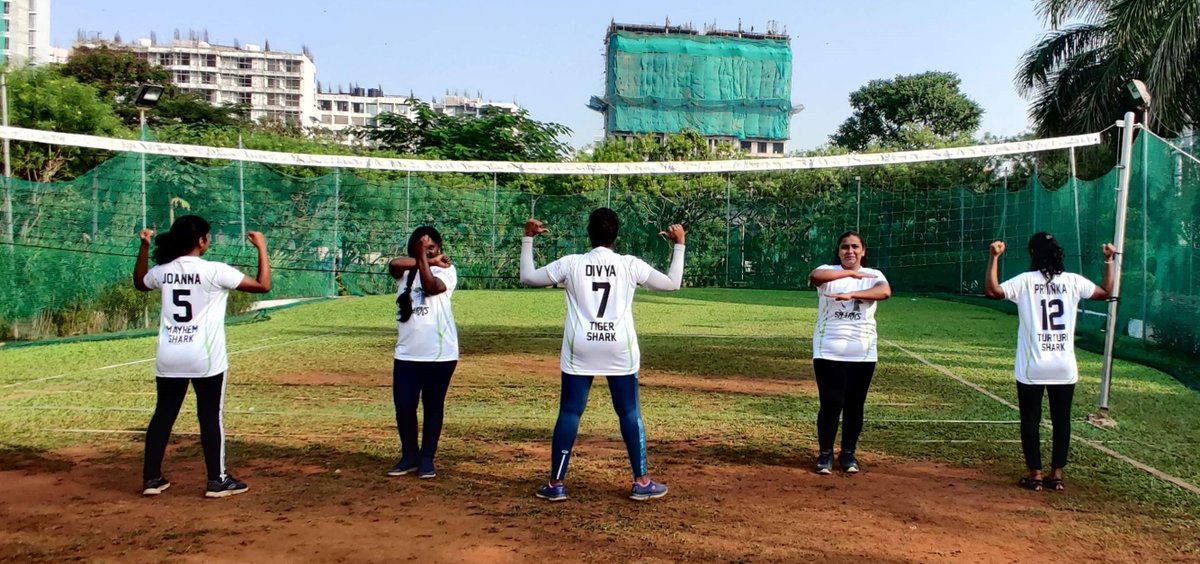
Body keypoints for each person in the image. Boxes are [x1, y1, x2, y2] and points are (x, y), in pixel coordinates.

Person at [519, 208, 685, 502]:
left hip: (581, 345)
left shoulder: (571, 264)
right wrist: (679, 244)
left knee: (570, 411)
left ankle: (556, 484)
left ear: (589, 233)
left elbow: (528, 278)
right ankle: (641, 481)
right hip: (618, 346)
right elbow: (672, 284)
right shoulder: (629, 264)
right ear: (616, 234)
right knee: (629, 412)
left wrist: (528, 239)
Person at [133, 215, 271, 498]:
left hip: (169, 354)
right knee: (209, 415)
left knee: (163, 415)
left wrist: (145, 246)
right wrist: (262, 248)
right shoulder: (214, 271)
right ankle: (217, 480)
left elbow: (140, 282)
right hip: (204, 357)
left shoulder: (164, 270)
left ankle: (151, 478)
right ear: (201, 240)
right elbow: (262, 285)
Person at [985, 233, 1114, 492]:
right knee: (1061, 420)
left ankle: (1035, 475)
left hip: (1033, 366)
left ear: (1033, 254)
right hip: (1063, 365)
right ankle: (1057, 475)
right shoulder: (1072, 282)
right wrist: (1109, 260)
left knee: (1030, 419)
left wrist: (994, 257)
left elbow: (992, 290)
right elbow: (1106, 291)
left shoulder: (1025, 281)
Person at [808, 231, 891, 475]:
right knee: (831, 403)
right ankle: (825, 455)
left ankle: (848, 454)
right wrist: (849, 274)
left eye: (855, 247)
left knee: (855, 405)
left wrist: (853, 293)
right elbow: (815, 277)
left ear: (863, 251)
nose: (850, 251)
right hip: (828, 350)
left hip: (863, 352)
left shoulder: (874, 275)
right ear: (838, 251)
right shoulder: (829, 271)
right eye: (845, 247)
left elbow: (884, 292)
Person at [384, 226, 458, 480]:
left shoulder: (446, 270)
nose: (427, 251)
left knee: (432, 406)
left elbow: (430, 286)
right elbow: (394, 263)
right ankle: (409, 456)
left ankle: (427, 459)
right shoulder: (404, 272)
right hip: (406, 354)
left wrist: (429, 261)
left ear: (440, 248)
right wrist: (425, 258)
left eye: (432, 247)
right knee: (404, 406)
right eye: (421, 247)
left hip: (439, 355)